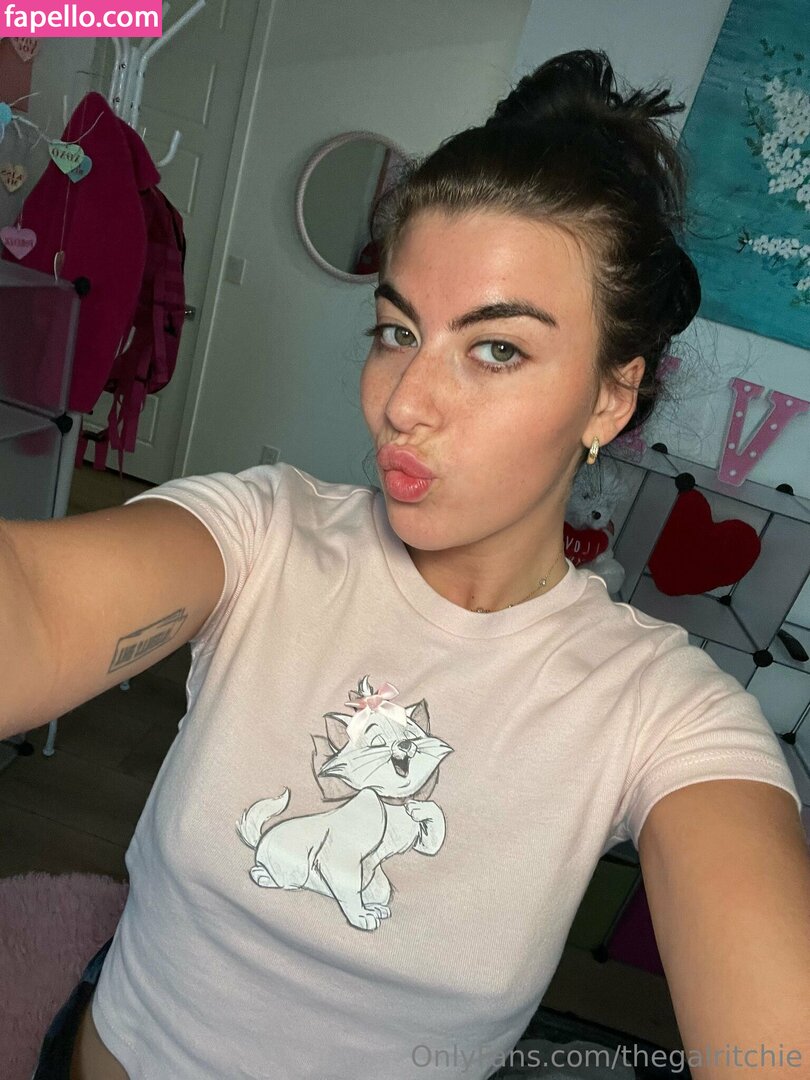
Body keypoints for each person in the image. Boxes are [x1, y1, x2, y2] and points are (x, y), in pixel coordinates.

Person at [4, 49, 808, 1080]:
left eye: (497, 349)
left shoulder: (663, 709)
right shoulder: (265, 531)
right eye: (396, 331)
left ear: (610, 399)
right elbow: (33, 604)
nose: (403, 401)